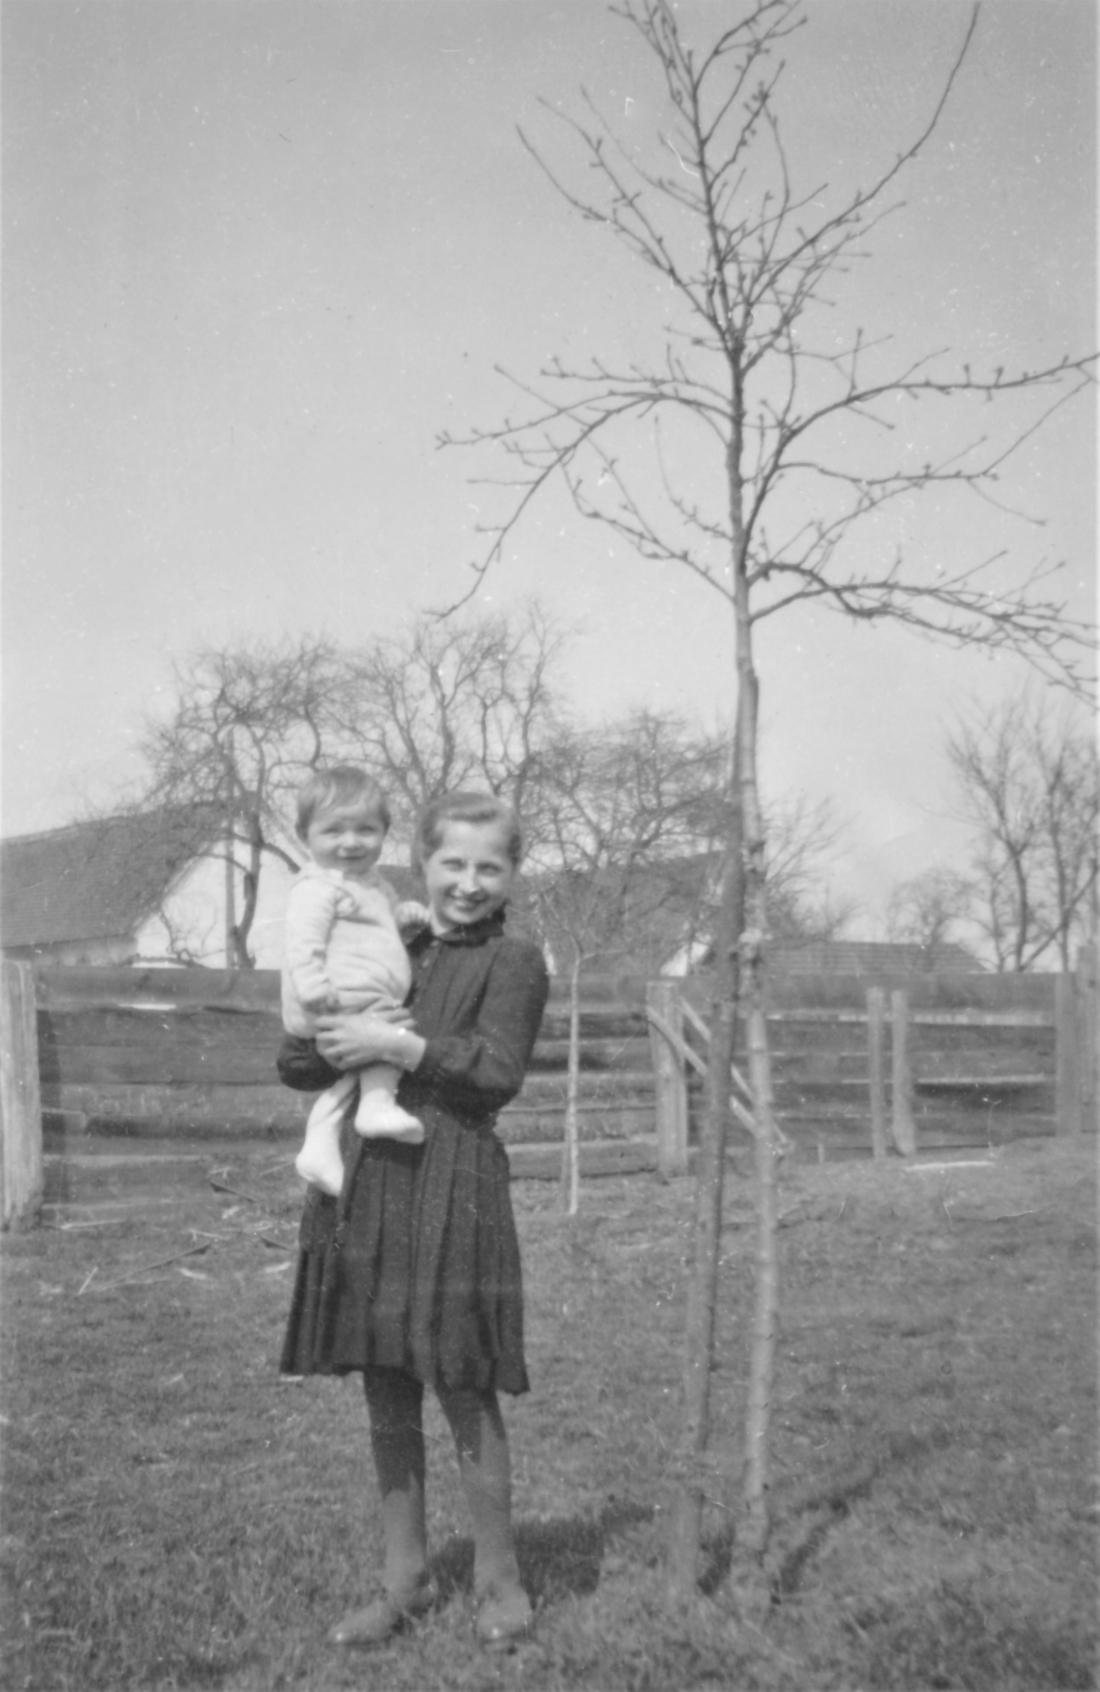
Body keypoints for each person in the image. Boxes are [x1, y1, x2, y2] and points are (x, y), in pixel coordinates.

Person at [277, 790, 550, 1651]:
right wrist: (330, 1044)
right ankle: (405, 1579)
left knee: (461, 1375)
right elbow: (292, 1058)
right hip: (369, 1178)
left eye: (489, 867)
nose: (468, 883)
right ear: (423, 862)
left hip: (457, 1173)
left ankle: (498, 1578)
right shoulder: (387, 935)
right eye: (453, 864)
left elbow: (497, 1070)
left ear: (512, 872)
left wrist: (400, 1049)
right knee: (385, 1378)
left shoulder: (516, 961)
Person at [281, 766, 427, 1197]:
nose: (351, 842)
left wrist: (405, 920)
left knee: (361, 1063)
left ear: (385, 832)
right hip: (333, 998)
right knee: (387, 1038)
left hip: (356, 995)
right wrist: (311, 986)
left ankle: (319, 1145)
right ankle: (377, 1108)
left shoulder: (374, 885)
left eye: (366, 829)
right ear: (304, 834)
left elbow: (379, 936)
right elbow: (301, 943)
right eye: (333, 831)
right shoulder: (316, 887)